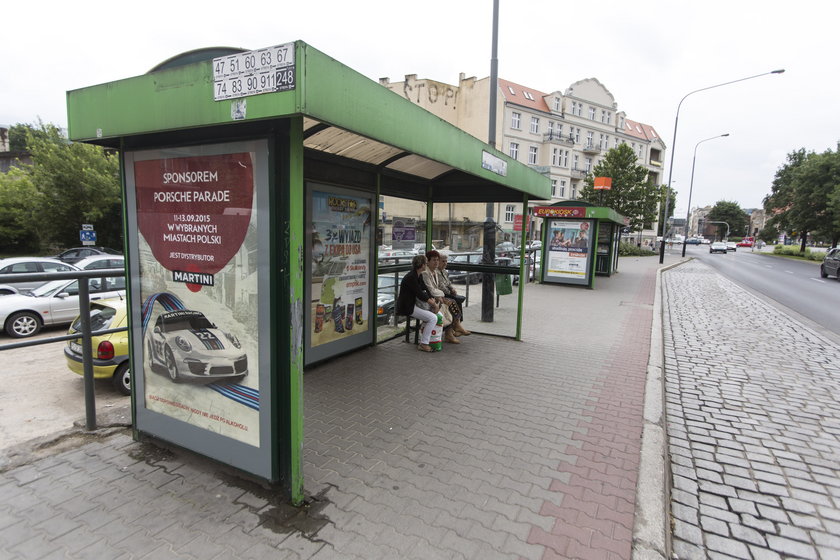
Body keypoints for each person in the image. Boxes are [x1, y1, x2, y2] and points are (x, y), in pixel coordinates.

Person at [396, 255, 439, 352]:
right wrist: (434, 304)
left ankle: (426, 338)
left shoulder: (418, 274)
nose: (427, 264)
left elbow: (425, 289)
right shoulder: (411, 277)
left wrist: (432, 299)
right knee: (433, 318)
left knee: (436, 315)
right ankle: (424, 344)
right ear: (422, 265)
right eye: (426, 263)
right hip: (408, 306)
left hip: (415, 304)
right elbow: (419, 294)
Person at [421, 250, 466, 344]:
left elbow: (439, 287)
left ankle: (454, 327)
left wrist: (442, 294)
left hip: (436, 297)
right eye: (434, 260)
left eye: (437, 260)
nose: (436, 262)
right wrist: (441, 296)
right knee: (451, 302)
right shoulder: (426, 273)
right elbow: (431, 289)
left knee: (452, 302)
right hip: (428, 299)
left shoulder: (435, 272)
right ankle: (453, 329)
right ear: (427, 262)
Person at [438, 252, 471, 336]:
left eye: (446, 261)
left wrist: (452, 289)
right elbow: (441, 287)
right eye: (443, 261)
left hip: (446, 293)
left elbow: (448, 283)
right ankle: (455, 327)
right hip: (440, 294)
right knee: (453, 301)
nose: (445, 263)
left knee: (458, 301)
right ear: (438, 261)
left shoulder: (444, 271)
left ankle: (457, 325)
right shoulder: (436, 272)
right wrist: (450, 292)